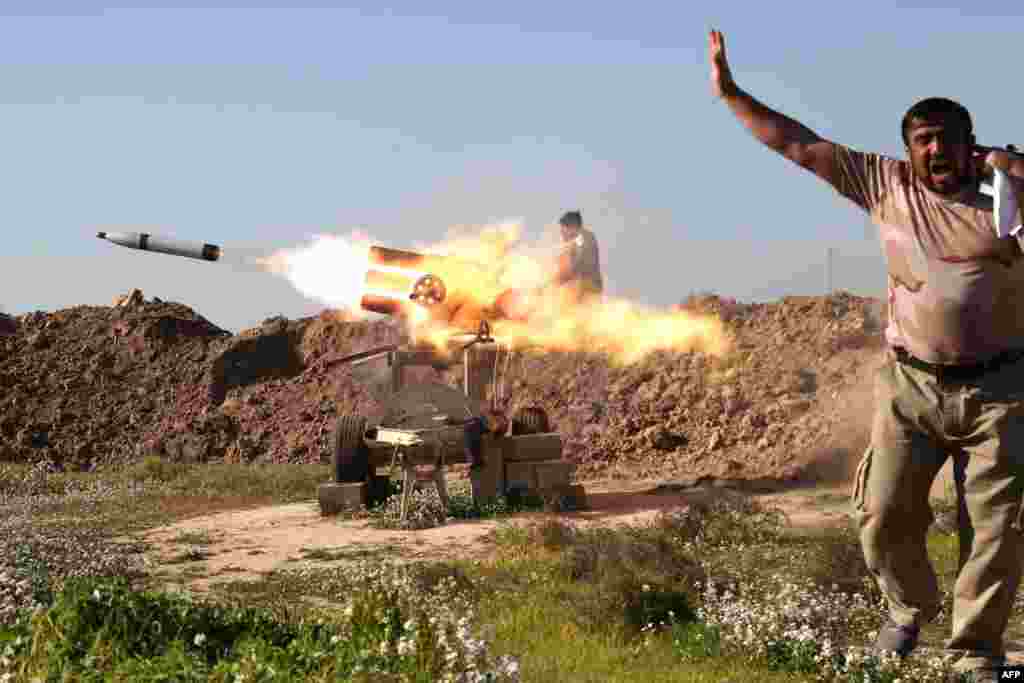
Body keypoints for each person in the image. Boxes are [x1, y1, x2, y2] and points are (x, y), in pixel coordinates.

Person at [708, 28, 1024, 681]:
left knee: (995, 528)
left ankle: (975, 652)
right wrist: (732, 93)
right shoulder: (883, 183)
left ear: (972, 142)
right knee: (881, 513)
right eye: (923, 139)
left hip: (1002, 387)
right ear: (908, 150)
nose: (936, 149)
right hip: (911, 383)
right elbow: (796, 143)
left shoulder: (1007, 195)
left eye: (949, 137)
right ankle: (909, 607)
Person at [554, 210, 604, 303]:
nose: (562, 234)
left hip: (587, 290)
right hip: (586, 289)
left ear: (572, 227)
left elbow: (579, 261)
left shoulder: (581, 238)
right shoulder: (580, 239)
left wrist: (560, 279)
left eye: (563, 230)